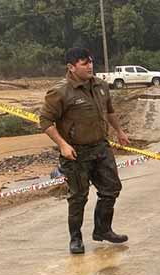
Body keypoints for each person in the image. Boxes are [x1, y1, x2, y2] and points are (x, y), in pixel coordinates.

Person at [40, 47, 131, 254]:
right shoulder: (60, 92)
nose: (90, 66)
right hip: (76, 153)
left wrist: (119, 131)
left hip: (100, 147)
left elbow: (109, 111)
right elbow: (45, 121)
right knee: (78, 197)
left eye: (91, 62)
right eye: (84, 63)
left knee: (111, 189)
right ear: (71, 67)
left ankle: (103, 230)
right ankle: (76, 238)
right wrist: (63, 144)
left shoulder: (100, 85)